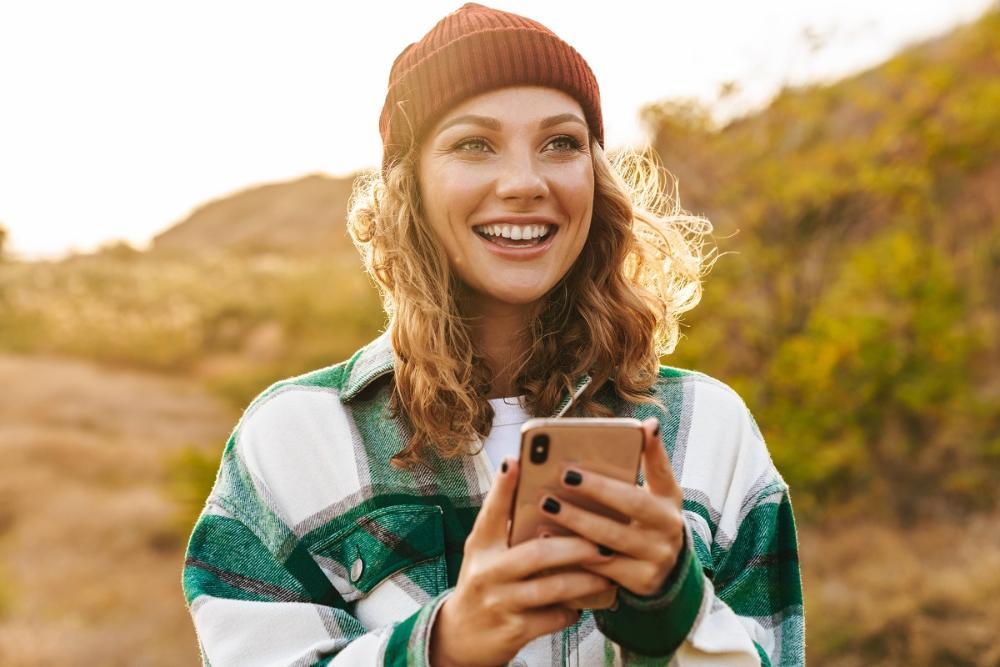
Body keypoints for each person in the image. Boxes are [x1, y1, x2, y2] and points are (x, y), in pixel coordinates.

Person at [181, 3, 804, 665]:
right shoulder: (292, 441)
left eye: (561, 142)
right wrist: (446, 643)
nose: (525, 182)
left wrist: (670, 610)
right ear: (409, 188)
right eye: (474, 144)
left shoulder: (710, 427)